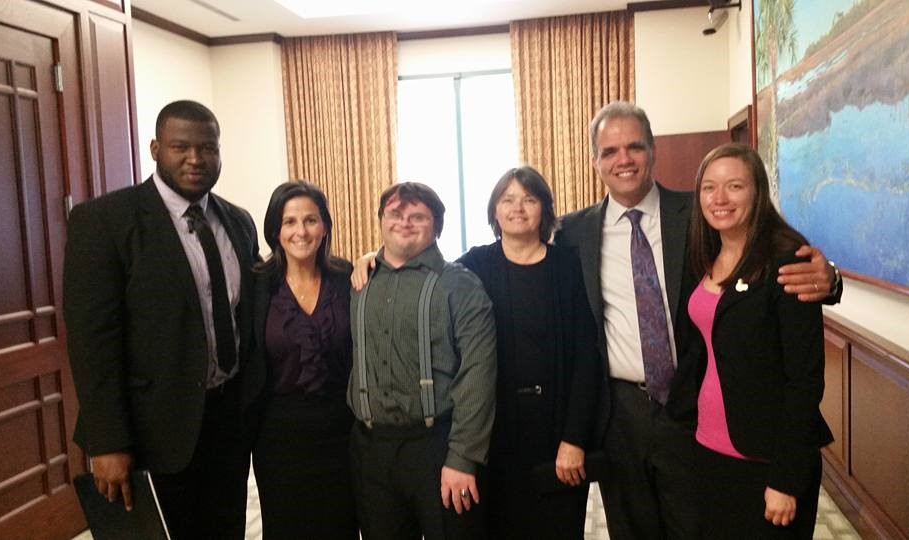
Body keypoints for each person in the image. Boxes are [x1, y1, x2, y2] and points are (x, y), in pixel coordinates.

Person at [554, 101, 841, 539]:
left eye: (634, 146)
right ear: (595, 161)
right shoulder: (572, 232)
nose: (623, 159)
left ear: (652, 152)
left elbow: (766, 254)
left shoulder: (701, 213)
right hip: (619, 414)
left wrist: (830, 279)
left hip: (691, 408)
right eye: (609, 151)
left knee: (698, 526)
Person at [63, 100, 262, 538]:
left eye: (207, 148)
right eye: (180, 147)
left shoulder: (238, 222)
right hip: (151, 431)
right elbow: (92, 341)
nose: (195, 158)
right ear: (156, 149)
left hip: (226, 424)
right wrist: (108, 442)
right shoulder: (105, 222)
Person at [680, 143, 833, 539]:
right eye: (708, 188)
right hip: (708, 445)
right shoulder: (707, 252)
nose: (719, 198)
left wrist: (785, 478)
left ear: (758, 192)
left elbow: (805, 380)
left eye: (734, 186)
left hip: (765, 456)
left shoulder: (788, 261)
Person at [455, 167, 600, 539]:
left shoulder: (569, 266)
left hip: (555, 431)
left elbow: (588, 355)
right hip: (495, 432)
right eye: (508, 199)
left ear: (544, 210)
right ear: (494, 211)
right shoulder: (474, 265)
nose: (518, 207)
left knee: (556, 527)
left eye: (529, 199)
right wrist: (373, 256)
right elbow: (424, 274)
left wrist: (575, 437)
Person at [347, 182, 497, 540]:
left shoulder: (460, 285)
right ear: (381, 220)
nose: (405, 222)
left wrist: (463, 458)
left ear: (437, 227)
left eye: (418, 216)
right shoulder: (357, 281)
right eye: (395, 214)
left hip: (437, 447)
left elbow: (478, 372)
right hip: (371, 450)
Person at [251, 181, 358, 539]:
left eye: (310, 220)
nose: (301, 231)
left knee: (341, 524)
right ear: (276, 231)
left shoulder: (348, 278)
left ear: (325, 226)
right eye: (290, 222)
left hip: (343, 431)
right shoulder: (256, 286)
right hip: (279, 436)